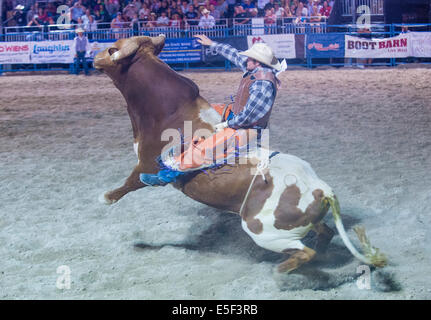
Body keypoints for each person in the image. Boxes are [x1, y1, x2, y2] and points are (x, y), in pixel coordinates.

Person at [139, 34, 285, 186]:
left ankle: (167, 176)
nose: (246, 59)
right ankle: (176, 152)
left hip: (247, 127)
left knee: (206, 149)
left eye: (250, 58)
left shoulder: (263, 84)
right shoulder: (255, 70)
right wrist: (212, 44)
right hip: (236, 115)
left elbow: (248, 116)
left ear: (258, 63)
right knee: (201, 115)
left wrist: (228, 124)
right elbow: (233, 54)